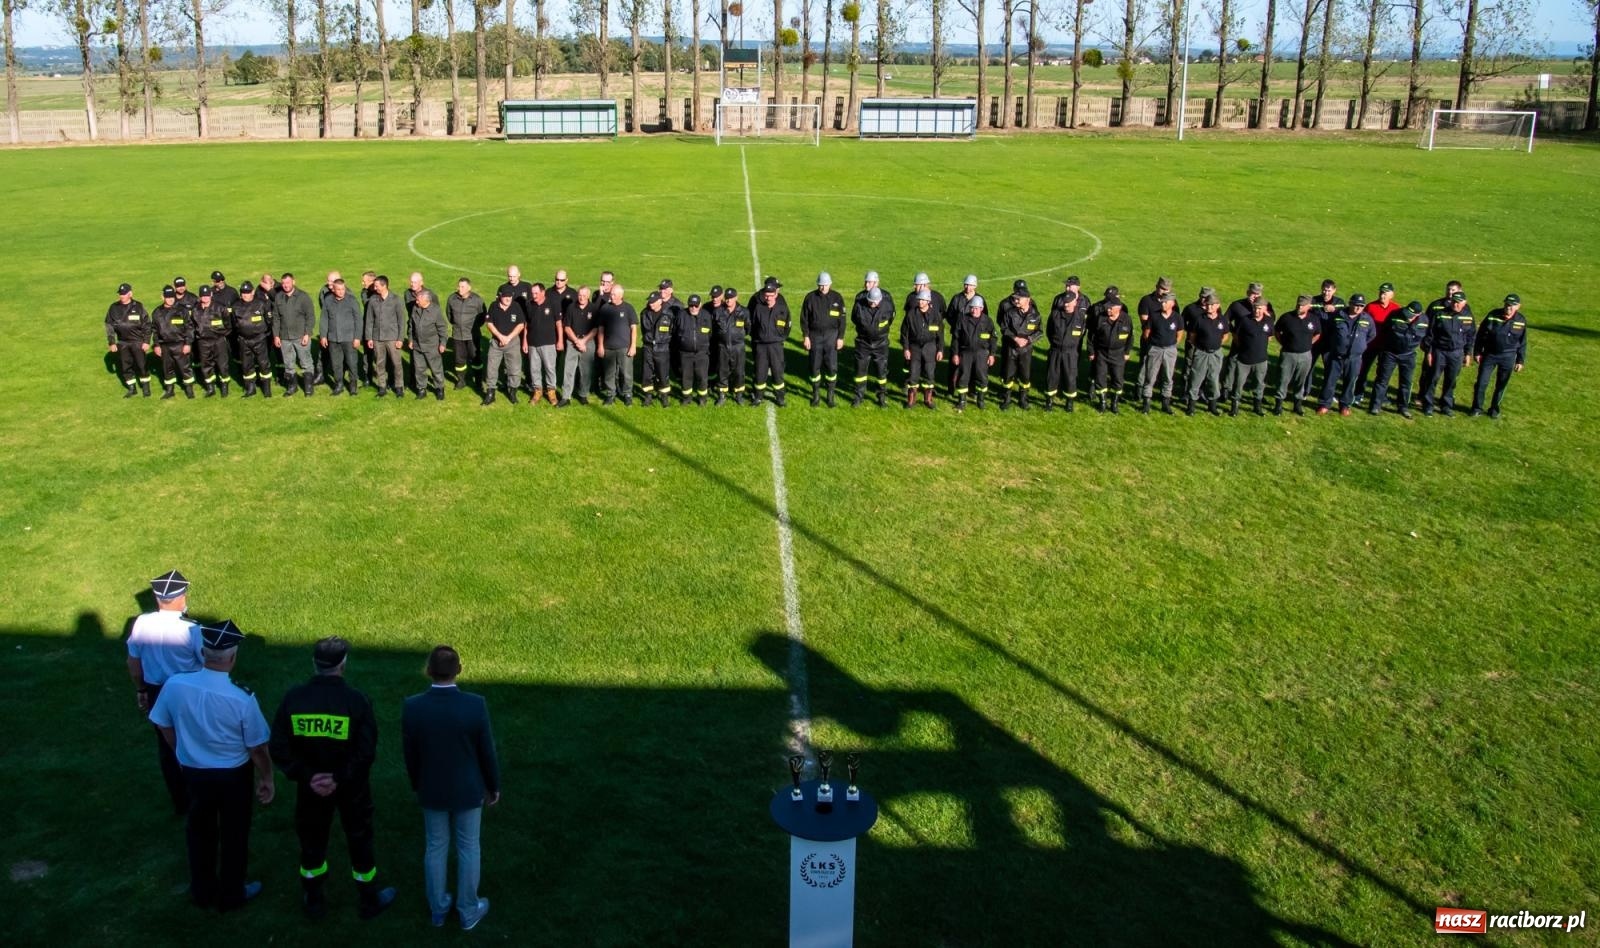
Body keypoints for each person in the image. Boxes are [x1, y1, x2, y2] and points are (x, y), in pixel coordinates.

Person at [148, 619, 274, 912]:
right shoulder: (242, 698)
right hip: (233, 776)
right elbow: (257, 748)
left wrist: (180, 750)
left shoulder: (175, 685)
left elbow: (162, 723)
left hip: (193, 772)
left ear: (203, 653)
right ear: (232, 658)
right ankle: (232, 894)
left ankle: (202, 891)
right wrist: (267, 778)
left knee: (199, 831)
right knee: (234, 834)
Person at [269, 637, 396, 920]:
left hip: (310, 788)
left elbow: (279, 747)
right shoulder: (357, 701)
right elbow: (366, 752)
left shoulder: (294, 698)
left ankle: (313, 901)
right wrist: (338, 777)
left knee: (312, 841)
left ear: (314, 664)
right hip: (352, 788)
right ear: (343, 665)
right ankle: (368, 900)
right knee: (359, 839)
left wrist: (308, 776)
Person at [402, 645, 499, 931]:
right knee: (469, 847)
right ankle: (468, 910)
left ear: (429, 670)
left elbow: (411, 754)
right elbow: (487, 752)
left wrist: (417, 783)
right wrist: (493, 786)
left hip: (431, 789)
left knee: (435, 846)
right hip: (468, 790)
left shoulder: (413, 706)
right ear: (459, 670)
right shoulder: (475, 705)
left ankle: (438, 909)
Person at [127, 570, 204, 815]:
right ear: (181, 596)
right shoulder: (192, 629)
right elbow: (206, 663)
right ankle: (200, 797)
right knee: (195, 744)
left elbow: (134, 663)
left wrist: (141, 690)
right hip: (187, 693)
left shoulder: (141, 623)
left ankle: (180, 802)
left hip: (156, 691)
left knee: (167, 747)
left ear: (157, 597)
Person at [1470, 293, 1527, 418]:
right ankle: (1476, 408)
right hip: (1489, 355)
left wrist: (1520, 361)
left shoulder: (1521, 321)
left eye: (1512, 306)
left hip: (1508, 356)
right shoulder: (1493, 315)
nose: (1508, 307)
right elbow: (1480, 334)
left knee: (1501, 385)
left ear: (1518, 307)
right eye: (1507, 304)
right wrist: (1477, 352)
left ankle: (1494, 410)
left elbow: (1522, 342)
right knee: (1481, 383)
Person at [1369, 300, 1429, 418]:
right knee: (1382, 380)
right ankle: (1375, 405)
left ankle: (1403, 407)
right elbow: (1384, 331)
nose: (1408, 318)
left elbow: (1425, 336)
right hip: (1390, 353)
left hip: (1409, 355)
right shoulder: (1395, 315)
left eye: (1411, 316)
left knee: (1406, 382)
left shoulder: (1424, 321)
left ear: (1418, 314)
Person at [1317, 295, 1374, 416]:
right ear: (1350, 303)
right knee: (1330, 380)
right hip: (1336, 355)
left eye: (1361, 306)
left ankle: (1345, 405)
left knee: (1350, 381)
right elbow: (1328, 332)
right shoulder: (1338, 315)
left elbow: (1371, 335)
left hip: (1354, 358)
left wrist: (1359, 346)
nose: (1358, 308)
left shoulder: (1367, 319)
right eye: (1356, 305)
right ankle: (1324, 404)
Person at [1419, 290, 1475, 416]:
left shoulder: (1468, 316)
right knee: (1433, 378)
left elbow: (1471, 335)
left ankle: (1446, 405)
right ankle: (1428, 405)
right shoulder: (1440, 314)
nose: (1456, 304)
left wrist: (1468, 353)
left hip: (1457, 353)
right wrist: (1429, 351)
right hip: (1440, 351)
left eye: (1459, 302)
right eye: (1454, 302)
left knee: (1451, 380)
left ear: (1464, 303)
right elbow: (1430, 334)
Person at [801, 272, 847, 407]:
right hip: (815, 337)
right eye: (820, 285)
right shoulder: (810, 298)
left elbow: (842, 320)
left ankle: (830, 396)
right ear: (817, 285)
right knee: (814, 367)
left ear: (830, 284)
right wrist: (806, 336)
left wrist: (840, 337)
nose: (823, 288)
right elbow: (804, 319)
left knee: (831, 367)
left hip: (831, 337)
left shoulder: (837, 298)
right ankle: (815, 396)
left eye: (825, 285)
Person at [1272, 295, 1321, 415]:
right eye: (1298, 304)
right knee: (1283, 379)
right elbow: (1276, 331)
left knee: (1301, 380)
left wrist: (1309, 344)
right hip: (1288, 354)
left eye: (1303, 305)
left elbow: (1317, 334)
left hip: (1305, 355)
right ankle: (1278, 404)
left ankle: (1297, 405)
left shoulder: (1313, 319)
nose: (1299, 307)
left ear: (1309, 306)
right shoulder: (1286, 317)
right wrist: (1284, 343)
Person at [1183, 291, 1229, 416]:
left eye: (1212, 305)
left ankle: (1212, 406)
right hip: (1201, 353)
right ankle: (1191, 406)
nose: (1209, 307)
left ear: (1217, 305)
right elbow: (1192, 336)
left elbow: (1225, 335)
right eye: (1208, 304)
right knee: (1196, 378)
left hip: (1216, 354)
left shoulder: (1222, 320)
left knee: (1213, 379)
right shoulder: (1199, 319)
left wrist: (1217, 344)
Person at [1227, 298, 1274, 416]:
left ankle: (1257, 406)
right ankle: (1234, 406)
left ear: (1264, 309)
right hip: (1244, 360)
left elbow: (1269, 337)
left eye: (1259, 308)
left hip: (1261, 360)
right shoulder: (1244, 320)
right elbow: (1236, 337)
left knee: (1259, 384)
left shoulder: (1269, 321)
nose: (1256, 311)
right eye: (1254, 308)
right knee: (1238, 383)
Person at [1137, 291, 1183, 414]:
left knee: (1168, 377)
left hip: (1170, 350)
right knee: (1150, 376)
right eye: (1162, 302)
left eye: (1165, 302)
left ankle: (1165, 403)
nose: (1162, 304)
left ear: (1172, 303)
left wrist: (1172, 345)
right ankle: (1146, 403)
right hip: (1155, 349)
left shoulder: (1177, 317)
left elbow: (1180, 334)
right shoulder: (1154, 316)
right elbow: (1146, 333)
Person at [998, 285, 1042, 411]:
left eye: (1019, 299)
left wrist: (1028, 340)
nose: (1016, 301)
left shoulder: (1035, 315)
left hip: (1026, 351)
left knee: (1025, 376)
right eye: (1015, 299)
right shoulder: (1010, 313)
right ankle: (1006, 399)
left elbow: (1039, 331)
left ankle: (1023, 399)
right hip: (1011, 349)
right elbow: (1004, 328)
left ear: (1027, 299)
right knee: (1008, 375)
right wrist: (1015, 338)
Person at [749, 276, 792, 407]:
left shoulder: (781, 305)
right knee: (760, 372)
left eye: (772, 294)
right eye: (767, 295)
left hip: (776, 345)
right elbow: (751, 324)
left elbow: (787, 324)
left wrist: (781, 338)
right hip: (760, 345)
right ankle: (758, 397)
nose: (769, 297)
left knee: (777, 371)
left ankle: (780, 397)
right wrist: (757, 339)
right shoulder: (757, 305)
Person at [1044, 283, 1086, 412]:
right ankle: (1049, 401)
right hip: (1056, 350)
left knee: (1070, 376)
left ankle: (1069, 402)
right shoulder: (1056, 314)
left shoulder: (1080, 317)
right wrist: (1056, 343)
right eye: (1065, 303)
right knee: (1052, 375)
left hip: (1071, 352)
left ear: (1075, 302)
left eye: (1069, 303)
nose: (1066, 305)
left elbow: (1081, 334)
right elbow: (1049, 331)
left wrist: (1070, 343)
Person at [273, 274, 317, 397]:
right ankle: (292, 386)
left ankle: (308, 387)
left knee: (305, 362)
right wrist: (276, 335)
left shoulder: (303, 297)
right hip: (284, 337)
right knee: (288, 363)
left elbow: (310, 317)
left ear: (293, 281)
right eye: (283, 283)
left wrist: (307, 334)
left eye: (288, 282)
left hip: (300, 335)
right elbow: (276, 318)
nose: (286, 285)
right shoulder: (278, 297)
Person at [106, 282, 153, 398]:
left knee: (142, 365)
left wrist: (146, 341)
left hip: (137, 341)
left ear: (130, 294)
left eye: (124, 294)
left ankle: (145, 387)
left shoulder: (138, 306)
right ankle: (132, 388)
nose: (122, 296)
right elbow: (109, 326)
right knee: (125, 366)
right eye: (120, 294)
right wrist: (112, 342)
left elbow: (147, 325)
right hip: (122, 342)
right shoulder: (113, 308)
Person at [850, 285, 894, 408]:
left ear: (880, 300)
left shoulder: (887, 306)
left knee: (881, 372)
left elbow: (890, 319)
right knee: (860, 371)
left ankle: (881, 397)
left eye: (875, 302)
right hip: (863, 343)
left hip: (881, 344)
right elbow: (854, 318)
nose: (872, 304)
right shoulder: (859, 306)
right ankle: (858, 397)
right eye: (870, 301)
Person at [1356, 282, 1401, 404]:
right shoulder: (1370, 307)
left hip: (1387, 346)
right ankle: (1358, 393)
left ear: (1392, 295)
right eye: (1381, 292)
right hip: (1370, 344)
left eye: (1385, 293)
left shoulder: (1396, 308)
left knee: (1383, 373)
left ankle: (1381, 396)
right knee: (1362, 369)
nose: (1382, 295)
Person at [899, 289, 944, 409]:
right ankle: (911, 400)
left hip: (930, 347)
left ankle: (928, 400)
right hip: (915, 347)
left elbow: (940, 334)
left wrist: (940, 350)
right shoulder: (911, 314)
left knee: (929, 373)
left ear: (928, 301)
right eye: (919, 299)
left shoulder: (936, 315)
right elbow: (904, 333)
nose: (920, 302)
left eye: (923, 300)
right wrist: (906, 348)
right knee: (913, 373)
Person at [1088, 294, 1133, 413]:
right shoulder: (1100, 319)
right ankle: (1102, 402)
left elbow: (1130, 337)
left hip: (1118, 354)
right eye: (1107, 308)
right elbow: (1092, 337)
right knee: (1100, 377)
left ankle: (1114, 403)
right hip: (1102, 353)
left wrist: (1127, 352)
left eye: (1110, 308)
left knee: (1118, 378)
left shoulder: (1126, 319)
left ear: (1118, 308)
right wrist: (1092, 352)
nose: (1107, 310)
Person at [364, 276, 408, 398]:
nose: (374, 287)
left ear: (384, 286)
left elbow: (401, 321)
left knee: (397, 363)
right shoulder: (373, 300)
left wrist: (400, 339)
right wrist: (369, 338)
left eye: (377, 285)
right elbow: (369, 320)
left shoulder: (396, 300)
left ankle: (399, 387)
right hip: (377, 338)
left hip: (393, 337)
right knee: (379, 363)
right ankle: (382, 387)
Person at [319, 278, 364, 396]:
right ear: (333, 289)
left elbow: (358, 320)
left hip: (349, 338)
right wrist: (323, 336)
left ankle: (353, 386)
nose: (341, 291)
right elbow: (324, 319)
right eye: (338, 289)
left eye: (343, 289)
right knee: (336, 364)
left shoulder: (352, 300)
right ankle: (338, 385)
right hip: (333, 338)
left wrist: (357, 338)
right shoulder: (328, 301)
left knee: (351, 363)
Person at [951, 295, 996, 411]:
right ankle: (961, 401)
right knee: (963, 376)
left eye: (976, 308)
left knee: (982, 377)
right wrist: (955, 354)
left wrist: (992, 354)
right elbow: (955, 338)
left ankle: (980, 400)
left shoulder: (988, 321)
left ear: (981, 308)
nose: (974, 310)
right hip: (965, 353)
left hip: (982, 353)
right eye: (972, 308)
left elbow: (993, 339)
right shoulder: (962, 320)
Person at [151, 285, 197, 400]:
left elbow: (189, 328)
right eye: (167, 297)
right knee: (167, 369)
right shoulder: (157, 312)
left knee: (185, 368)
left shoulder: (182, 310)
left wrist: (188, 343)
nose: (170, 299)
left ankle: (189, 390)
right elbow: (154, 330)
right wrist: (156, 345)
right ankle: (170, 390)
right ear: (162, 297)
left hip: (180, 344)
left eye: (172, 296)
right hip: (164, 345)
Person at [482, 287, 526, 406]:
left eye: (510, 297)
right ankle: (490, 394)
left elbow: (521, 325)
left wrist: (508, 338)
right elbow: (489, 324)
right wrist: (500, 337)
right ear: (500, 296)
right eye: (505, 297)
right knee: (491, 368)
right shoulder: (493, 306)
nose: (508, 299)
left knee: (515, 369)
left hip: (512, 343)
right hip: (496, 343)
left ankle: (512, 392)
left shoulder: (516, 306)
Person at [523, 282, 565, 406]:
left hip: (548, 343)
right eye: (532, 293)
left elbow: (558, 324)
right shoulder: (529, 304)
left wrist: (560, 340)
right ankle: (537, 391)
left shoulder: (553, 303)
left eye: (536, 293)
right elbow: (526, 324)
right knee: (534, 368)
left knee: (549, 368)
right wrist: (525, 341)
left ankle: (551, 391)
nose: (534, 296)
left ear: (543, 292)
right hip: (532, 343)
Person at [231, 281, 275, 398]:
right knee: (246, 365)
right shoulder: (235, 306)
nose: (245, 295)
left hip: (259, 339)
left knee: (263, 363)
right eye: (243, 292)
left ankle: (266, 389)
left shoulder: (261, 304)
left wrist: (263, 333)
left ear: (253, 292)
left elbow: (269, 321)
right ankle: (250, 389)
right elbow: (234, 323)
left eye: (248, 292)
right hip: (243, 340)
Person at [597, 284, 639, 406]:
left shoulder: (628, 308)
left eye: (614, 294)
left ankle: (627, 394)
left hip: (624, 347)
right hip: (608, 347)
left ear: (621, 295)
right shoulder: (605, 308)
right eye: (611, 294)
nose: (612, 296)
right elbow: (600, 329)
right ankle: (611, 395)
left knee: (626, 373)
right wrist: (600, 345)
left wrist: (633, 346)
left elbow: (634, 329)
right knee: (609, 373)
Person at [407, 288, 449, 401]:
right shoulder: (415, 309)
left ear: (426, 300)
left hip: (432, 346)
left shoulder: (435, 311)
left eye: (418, 300)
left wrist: (443, 343)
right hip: (417, 345)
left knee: (436, 369)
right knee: (419, 369)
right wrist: (410, 339)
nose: (416, 302)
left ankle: (439, 389)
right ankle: (421, 389)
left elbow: (442, 328)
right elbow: (411, 326)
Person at [560, 285, 599, 406]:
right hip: (572, 342)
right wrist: (577, 341)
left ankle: (583, 395)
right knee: (569, 370)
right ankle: (566, 397)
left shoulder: (593, 309)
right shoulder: (571, 307)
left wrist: (584, 341)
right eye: (579, 295)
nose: (581, 298)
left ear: (588, 296)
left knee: (586, 371)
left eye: (584, 295)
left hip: (588, 342)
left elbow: (596, 328)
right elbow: (566, 327)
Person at [945, 275, 981, 400]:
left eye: (970, 285)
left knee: (972, 365)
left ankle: (971, 390)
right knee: (954, 364)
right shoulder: (957, 298)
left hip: (972, 339)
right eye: (966, 284)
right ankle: (951, 389)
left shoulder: (979, 299)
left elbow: (983, 317)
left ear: (975, 286)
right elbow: (949, 315)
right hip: (959, 337)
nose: (967, 287)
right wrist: (958, 328)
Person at [446, 278, 487, 391]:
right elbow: (449, 315)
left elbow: (482, 317)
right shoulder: (452, 299)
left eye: (463, 287)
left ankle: (478, 382)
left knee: (476, 359)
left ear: (469, 288)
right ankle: (461, 381)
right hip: (458, 335)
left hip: (472, 336)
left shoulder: (477, 300)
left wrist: (473, 328)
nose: (460, 289)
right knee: (459, 360)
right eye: (459, 286)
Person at [674, 294, 715, 405]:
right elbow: (675, 333)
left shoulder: (706, 316)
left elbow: (710, 333)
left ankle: (702, 399)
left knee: (702, 377)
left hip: (702, 353)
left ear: (700, 305)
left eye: (696, 306)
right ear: (688, 305)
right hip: (685, 354)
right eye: (691, 305)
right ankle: (686, 398)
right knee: (686, 377)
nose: (693, 308)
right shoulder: (681, 315)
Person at [193, 285, 233, 398]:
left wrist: (221, 335)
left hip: (218, 340)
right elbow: (193, 325)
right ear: (200, 296)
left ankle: (224, 386)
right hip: (203, 342)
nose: (205, 298)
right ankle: (210, 387)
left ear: (211, 295)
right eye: (203, 296)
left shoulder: (220, 308)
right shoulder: (195, 309)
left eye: (207, 295)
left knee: (222, 364)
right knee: (206, 365)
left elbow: (228, 325)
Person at [638, 292, 675, 407]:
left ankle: (664, 397)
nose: (650, 304)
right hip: (648, 347)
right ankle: (648, 396)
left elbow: (672, 331)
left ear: (660, 301)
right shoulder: (644, 313)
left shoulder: (668, 314)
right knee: (647, 373)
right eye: (649, 302)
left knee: (662, 373)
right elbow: (644, 331)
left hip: (662, 348)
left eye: (653, 302)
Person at [1309, 279, 1344, 399]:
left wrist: (1334, 309)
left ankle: (1328, 394)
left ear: (1334, 290)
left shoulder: (1339, 302)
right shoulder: (1314, 301)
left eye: (1329, 290)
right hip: (1315, 340)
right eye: (1324, 289)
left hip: (1330, 342)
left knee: (1330, 370)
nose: (1326, 293)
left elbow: (1344, 313)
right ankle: (1305, 391)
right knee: (1309, 366)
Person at [713, 287, 749, 406]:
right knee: (722, 371)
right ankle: (722, 395)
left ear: (736, 298)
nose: (728, 301)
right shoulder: (718, 311)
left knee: (739, 372)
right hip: (722, 347)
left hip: (738, 347)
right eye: (727, 298)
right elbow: (713, 329)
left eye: (731, 298)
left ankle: (739, 395)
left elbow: (748, 329)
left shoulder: (743, 312)